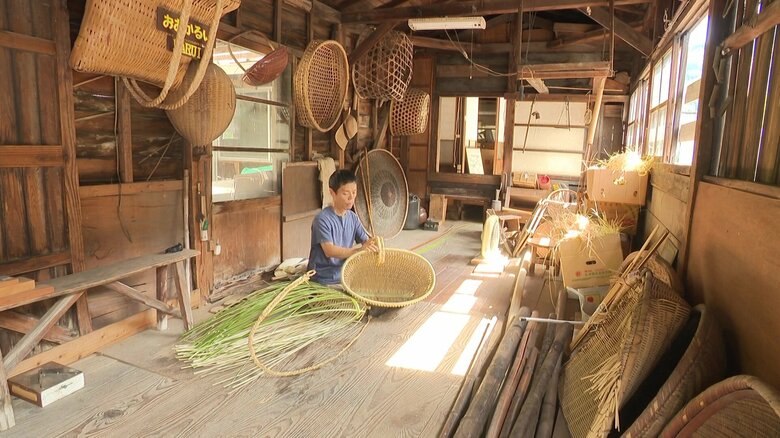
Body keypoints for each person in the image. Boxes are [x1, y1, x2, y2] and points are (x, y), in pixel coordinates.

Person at [308, 169, 378, 285]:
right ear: (332, 192)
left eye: (354, 192)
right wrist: (359, 250)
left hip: (345, 274)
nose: (351, 198)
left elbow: (366, 241)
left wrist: (374, 244)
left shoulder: (353, 218)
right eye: (345, 193)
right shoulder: (322, 219)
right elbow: (330, 251)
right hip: (324, 278)